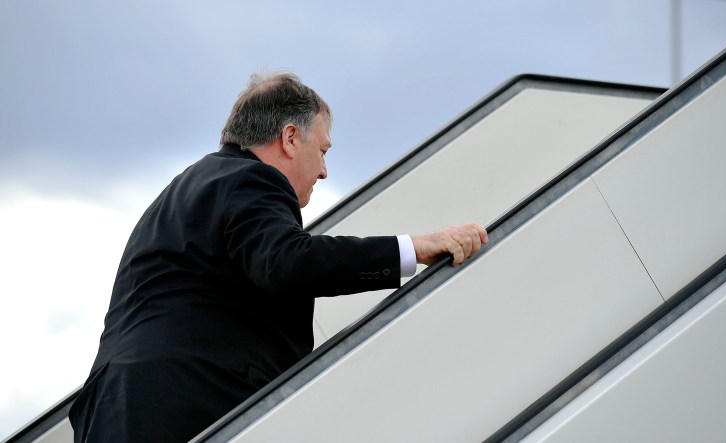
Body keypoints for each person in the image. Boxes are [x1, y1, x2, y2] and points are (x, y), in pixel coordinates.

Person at [69, 72, 488, 442]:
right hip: (184, 402)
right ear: (290, 138)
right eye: (322, 150)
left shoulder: (191, 188)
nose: (324, 171)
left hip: (114, 408)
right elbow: (286, 261)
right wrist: (412, 248)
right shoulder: (251, 179)